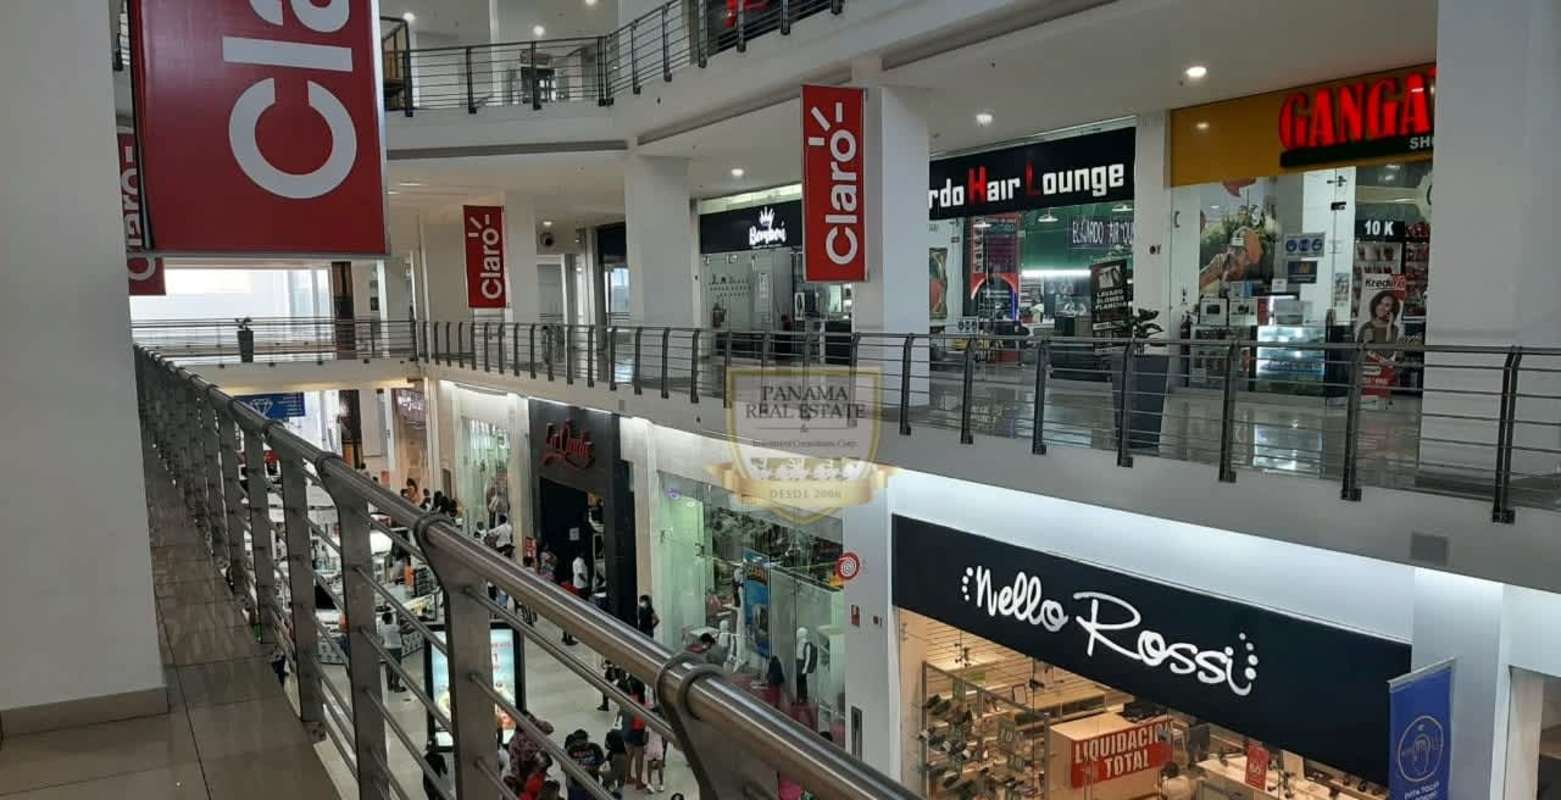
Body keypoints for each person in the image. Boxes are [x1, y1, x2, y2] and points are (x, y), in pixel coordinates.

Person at [564, 729, 605, 800]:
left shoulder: (595, 748)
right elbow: (566, 766)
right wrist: (568, 779)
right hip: (576, 784)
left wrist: (592, 768)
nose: (578, 744)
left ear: (585, 739)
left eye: (580, 741)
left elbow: (602, 764)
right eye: (576, 742)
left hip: (592, 783)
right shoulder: (571, 749)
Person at [623, 678, 649, 790]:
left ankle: (627, 777)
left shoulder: (627, 698)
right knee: (639, 757)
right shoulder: (644, 701)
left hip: (627, 730)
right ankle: (638, 782)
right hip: (639, 731)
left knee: (629, 755)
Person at [379, 612, 405, 692]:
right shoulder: (394, 626)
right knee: (397, 668)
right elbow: (404, 631)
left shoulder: (382, 627)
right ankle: (396, 687)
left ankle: (389, 686)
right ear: (390, 618)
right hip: (396, 649)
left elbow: (383, 639)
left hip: (387, 648)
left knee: (389, 668)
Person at [602, 729, 629, 794]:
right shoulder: (619, 752)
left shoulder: (616, 756)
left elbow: (613, 775)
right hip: (621, 756)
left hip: (612, 786)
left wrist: (600, 772)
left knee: (614, 774)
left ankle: (612, 787)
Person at [644, 728, 666, 794]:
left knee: (649, 766)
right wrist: (662, 746)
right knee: (660, 767)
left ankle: (649, 783)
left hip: (650, 747)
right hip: (659, 747)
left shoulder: (648, 726)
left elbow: (645, 738)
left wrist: (645, 745)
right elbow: (664, 738)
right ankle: (661, 785)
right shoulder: (659, 725)